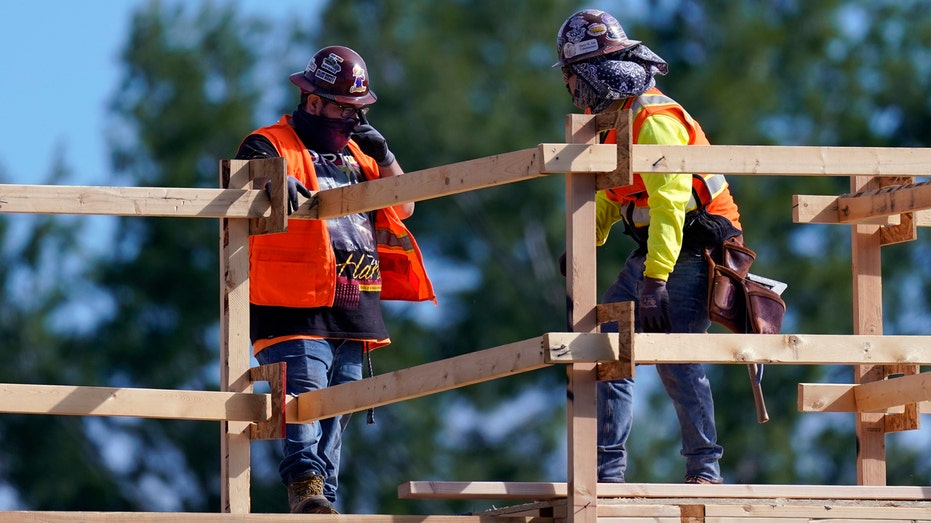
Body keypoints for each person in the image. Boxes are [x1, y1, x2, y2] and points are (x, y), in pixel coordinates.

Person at [235, 45, 435, 513]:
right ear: (313, 102)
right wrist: (271, 182)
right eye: (342, 109)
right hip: (293, 302)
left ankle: (323, 498)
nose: (350, 120)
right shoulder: (269, 143)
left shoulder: (360, 156)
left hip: (353, 304)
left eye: (358, 111)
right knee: (306, 394)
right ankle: (305, 486)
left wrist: (384, 153)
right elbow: (246, 176)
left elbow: (404, 205)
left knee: (339, 406)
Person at [555, 9, 744, 485]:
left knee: (676, 352)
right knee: (608, 348)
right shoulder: (613, 121)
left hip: (698, 248)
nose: (572, 90)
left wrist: (655, 283)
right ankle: (607, 473)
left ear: (594, 74)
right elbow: (607, 192)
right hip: (661, 249)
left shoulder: (654, 121)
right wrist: (583, 243)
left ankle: (706, 468)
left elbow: (669, 209)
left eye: (573, 79)